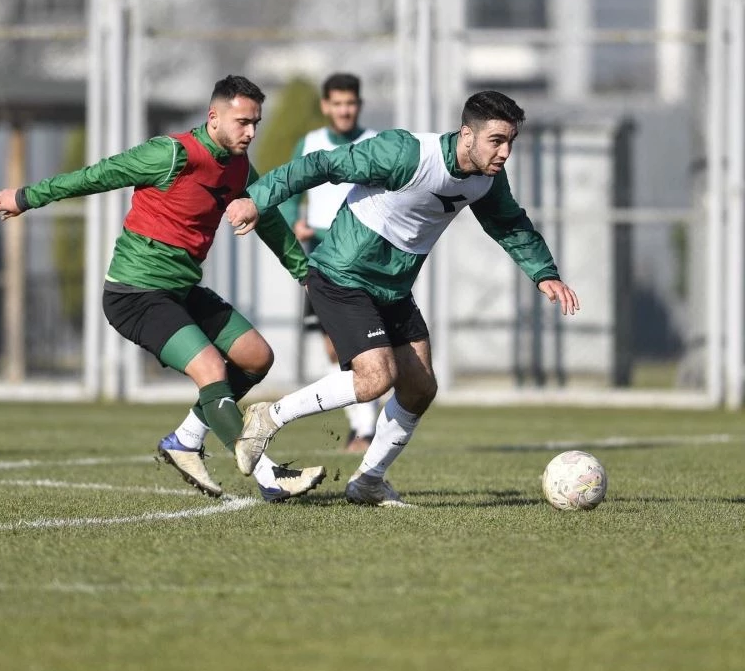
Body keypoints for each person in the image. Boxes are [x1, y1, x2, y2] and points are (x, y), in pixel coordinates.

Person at [225, 90, 579, 506]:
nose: (505, 152)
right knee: (376, 377)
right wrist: (257, 198)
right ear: (467, 135)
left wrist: (544, 273)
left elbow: (509, 224)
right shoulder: (405, 152)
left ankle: (368, 480)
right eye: (497, 141)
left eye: (511, 142)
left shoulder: (487, 179)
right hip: (343, 272)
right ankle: (270, 416)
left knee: (419, 387)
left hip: (393, 287)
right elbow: (320, 164)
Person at [0, 75, 325, 504]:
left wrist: (305, 273)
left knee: (257, 356)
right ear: (214, 116)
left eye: (255, 122)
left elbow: (269, 219)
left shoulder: (238, 166)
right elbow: (97, 175)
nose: (251, 132)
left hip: (181, 291)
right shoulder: (170, 153)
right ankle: (270, 475)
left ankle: (185, 440)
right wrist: (27, 196)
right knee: (211, 369)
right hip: (135, 294)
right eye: (242, 122)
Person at [281, 73, 380, 453]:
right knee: (333, 348)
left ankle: (367, 430)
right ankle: (363, 428)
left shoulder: (375, 144)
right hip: (321, 256)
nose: (344, 110)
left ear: (359, 104)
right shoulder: (310, 144)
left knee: (368, 347)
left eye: (350, 103)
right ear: (325, 106)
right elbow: (290, 190)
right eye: (337, 103)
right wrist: (295, 223)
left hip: (365, 258)